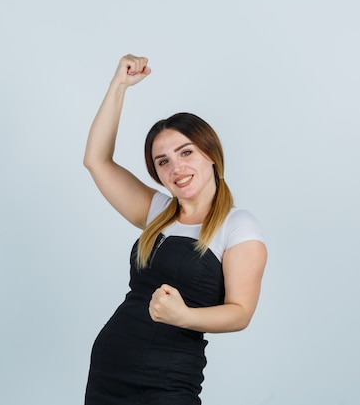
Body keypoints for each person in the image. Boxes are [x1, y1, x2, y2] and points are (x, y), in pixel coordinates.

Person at [82, 54, 267, 405]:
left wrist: (184, 316)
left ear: (210, 154)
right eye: (163, 161)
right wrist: (118, 86)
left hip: (168, 381)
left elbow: (240, 311)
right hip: (109, 373)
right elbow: (96, 160)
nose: (176, 167)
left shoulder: (237, 225)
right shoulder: (158, 212)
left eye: (186, 153)